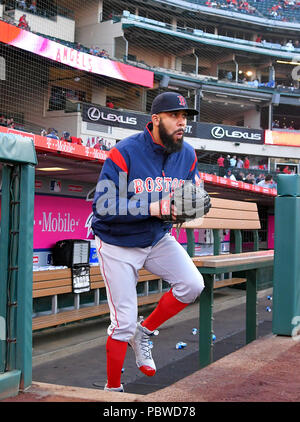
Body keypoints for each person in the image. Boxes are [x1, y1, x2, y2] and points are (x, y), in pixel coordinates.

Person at [91, 92, 205, 392]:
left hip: (156, 237)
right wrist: (152, 207)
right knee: (123, 323)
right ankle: (113, 390)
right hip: (117, 243)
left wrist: (189, 209)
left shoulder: (188, 155)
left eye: (185, 117)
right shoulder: (125, 151)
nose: (182, 122)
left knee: (193, 284)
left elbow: (186, 198)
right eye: (174, 116)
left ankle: (146, 331)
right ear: (155, 120)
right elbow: (102, 206)